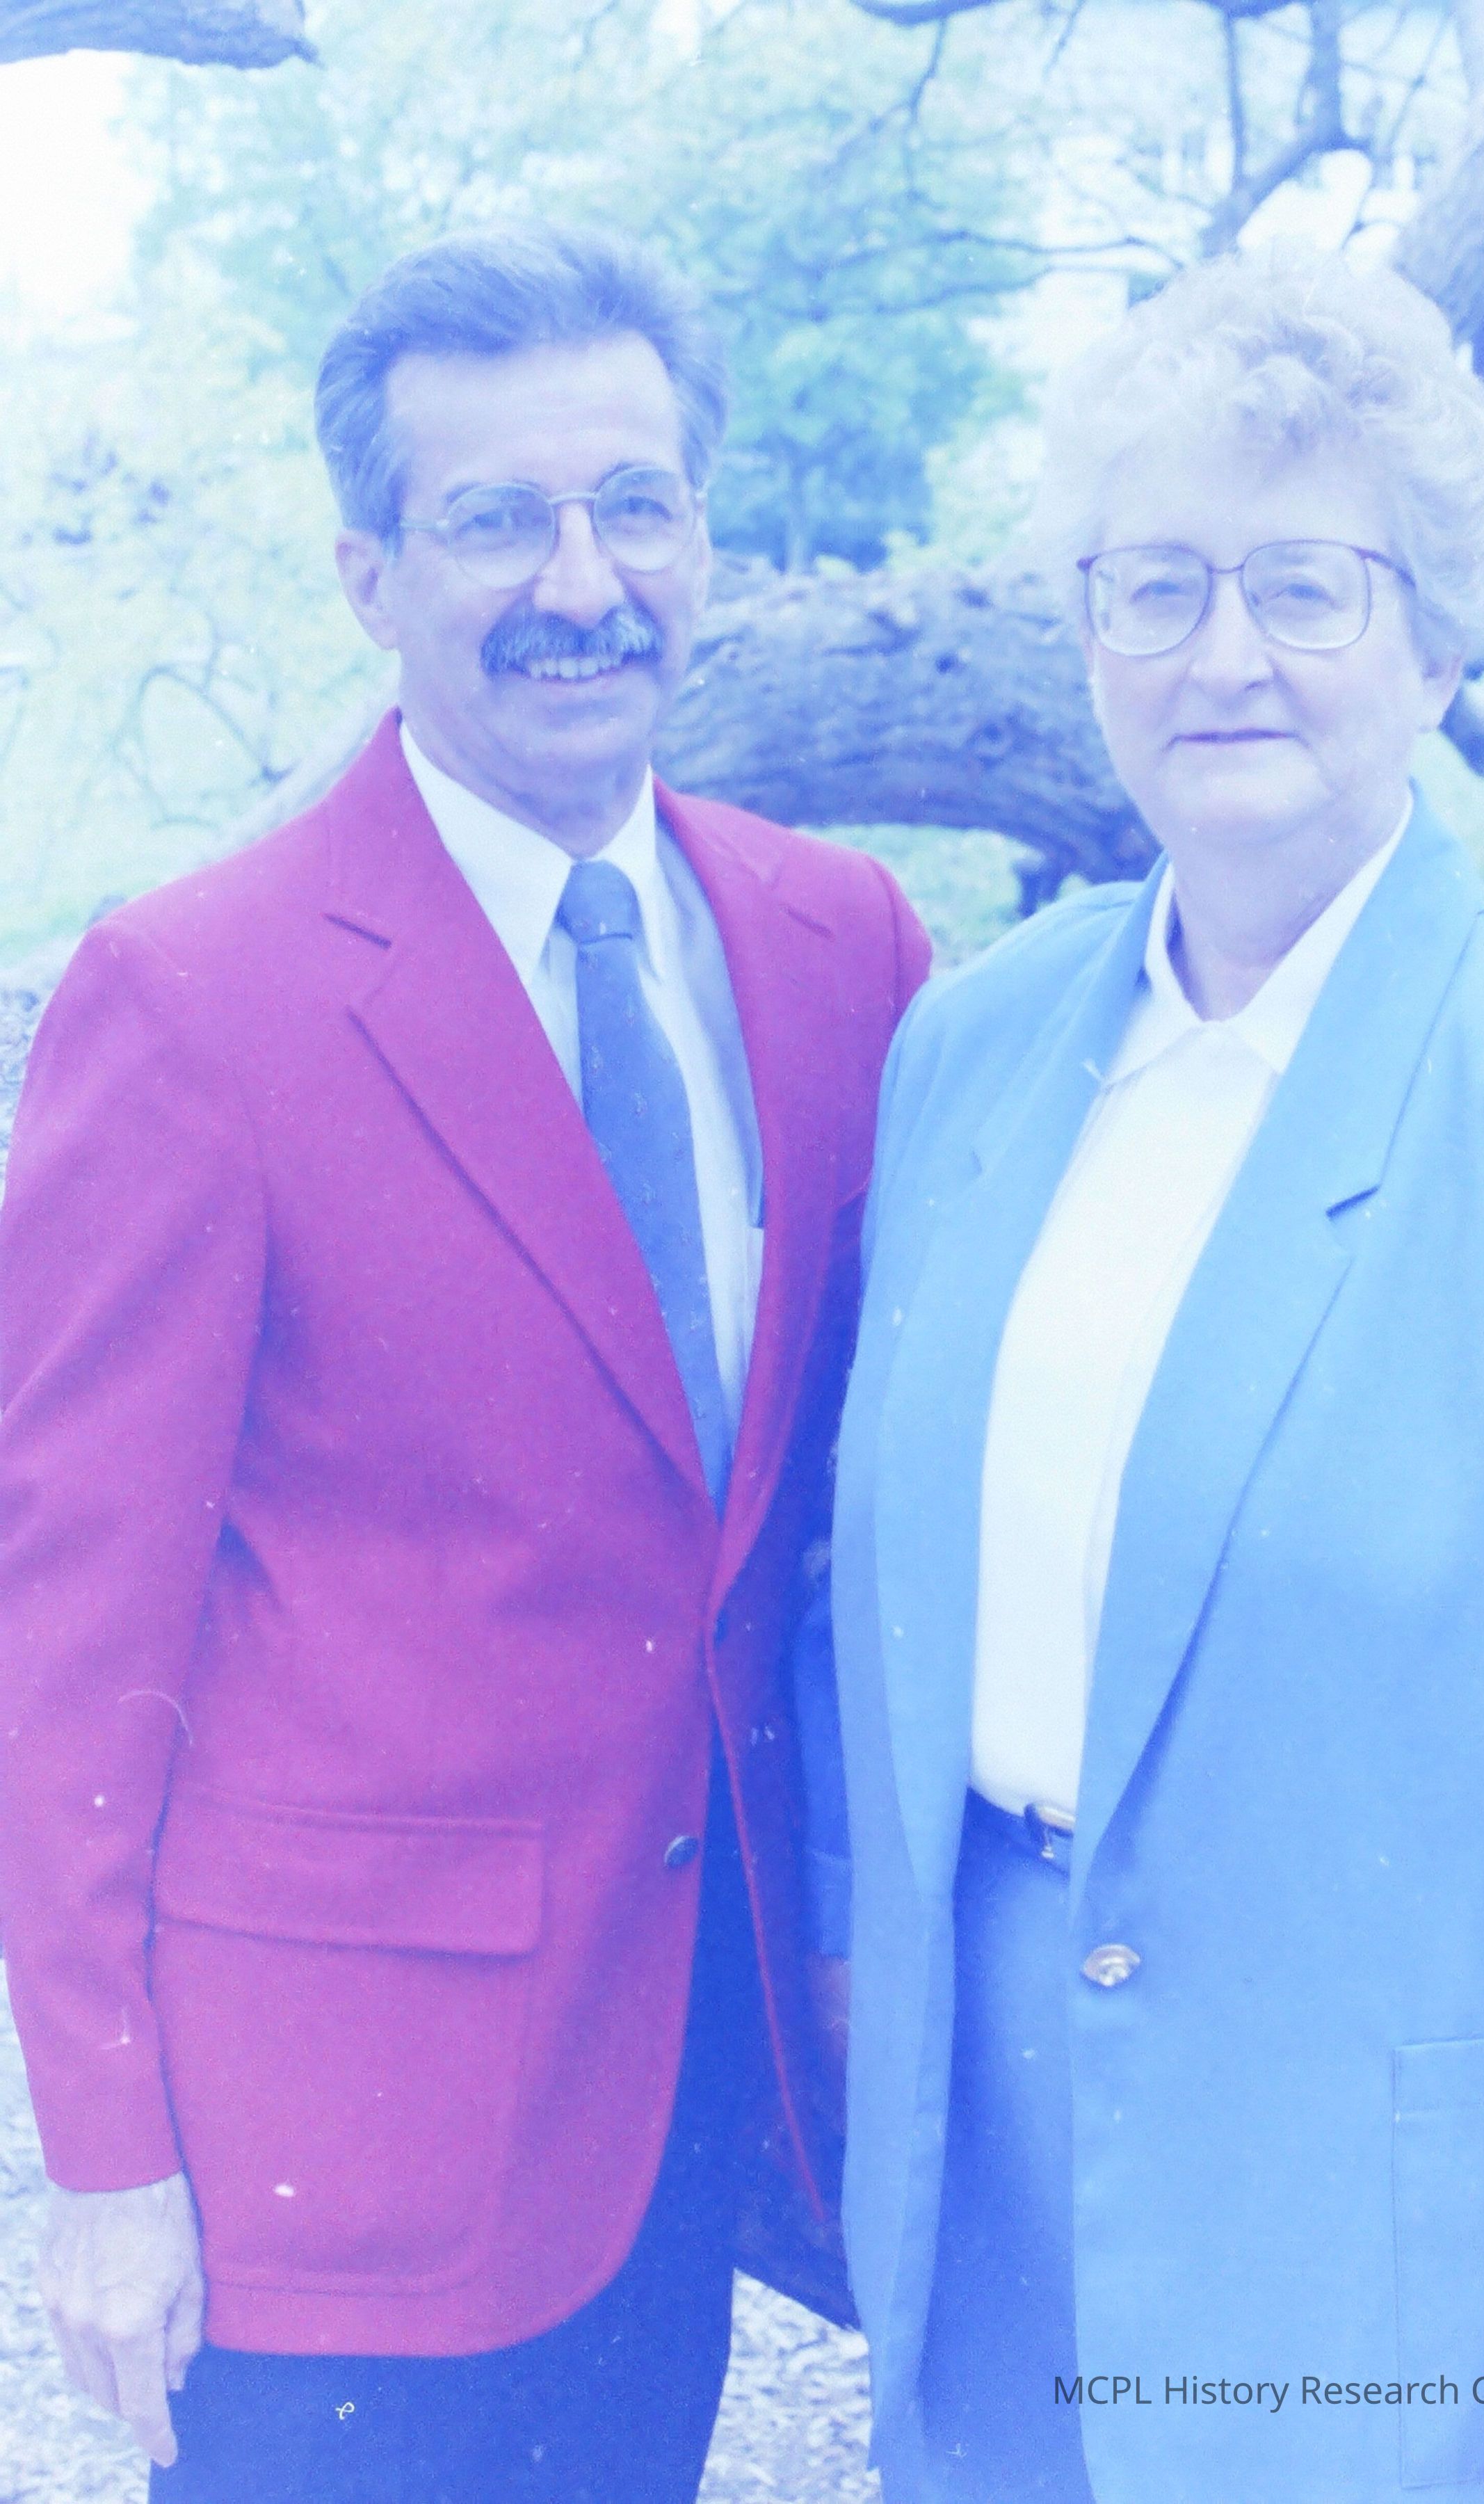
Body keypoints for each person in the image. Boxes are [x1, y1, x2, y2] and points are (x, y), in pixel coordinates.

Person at [0, 223, 930, 2504]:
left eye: (635, 507)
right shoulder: (192, 1003)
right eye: (497, 518)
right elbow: (68, 1638)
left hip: (689, 2090)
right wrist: (105, 2162)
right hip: (336, 2154)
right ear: (369, 574)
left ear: (705, 538)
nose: (579, 582)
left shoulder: (837, 943)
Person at [807, 248, 1484, 2504]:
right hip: (994, 2143)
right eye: (1157, 583)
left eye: (1304, 585)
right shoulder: (976, 1046)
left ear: (1441, 636)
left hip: (1387, 2192)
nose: (1222, 655)